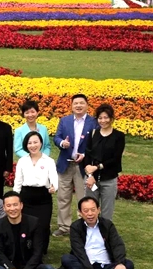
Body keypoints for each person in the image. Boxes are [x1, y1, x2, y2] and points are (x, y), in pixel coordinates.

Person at [60, 196, 134, 269]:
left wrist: (119, 263)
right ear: (80, 212)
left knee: (128, 264)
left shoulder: (107, 225)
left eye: (93, 210)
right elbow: (78, 251)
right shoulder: (76, 227)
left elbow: (117, 245)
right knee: (66, 258)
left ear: (98, 210)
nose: (90, 214)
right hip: (85, 265)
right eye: (86, 211)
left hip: (105, 265)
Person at [0, 191, 55, 269]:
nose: (12, 209)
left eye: (15, 205)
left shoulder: (34, 223)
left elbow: (38, 252)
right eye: (8, 206)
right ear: (4, 208)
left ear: (21, 205)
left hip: (29, 266)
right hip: (9, 266)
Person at [53, 94, 98, 237]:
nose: (78, 106)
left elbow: (96, 144)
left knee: (83, 197)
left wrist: (84, 154)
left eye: (81, 103)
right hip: (65, 164)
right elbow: (56, 137)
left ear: (87, 105)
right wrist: (62, 143)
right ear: (71, 106)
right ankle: (64, 226)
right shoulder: (64, 120)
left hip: (83, 166)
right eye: (75, 103)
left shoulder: (93, 122)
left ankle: (83, 226)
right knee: (63, 197)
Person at [13, 131, 58, 254]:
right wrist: (15, 197)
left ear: (41, 143)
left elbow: (54, 179)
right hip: (26, 196)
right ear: (26, 145)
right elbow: (18, 181)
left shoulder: (48, 161)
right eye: (30, 143)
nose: (33, 145)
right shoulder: (22, 161)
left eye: (35, 142)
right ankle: (27, 249)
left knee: (43, 225)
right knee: (26, 225)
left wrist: (54, 187)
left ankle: (40, 251)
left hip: (43, 197)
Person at [82, 104, 125, 221]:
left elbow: (115, 158)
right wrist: (90, 175)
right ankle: (90, 231)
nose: (103, 120)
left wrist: (97, 167)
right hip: (92, 180)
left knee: (107, 212)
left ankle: (105, 231)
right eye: (100, 118)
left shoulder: (119, 136)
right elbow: (87, 155)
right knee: (90, 210)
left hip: (109, 179)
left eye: (106, 117)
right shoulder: (93, 134)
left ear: (111, 118)